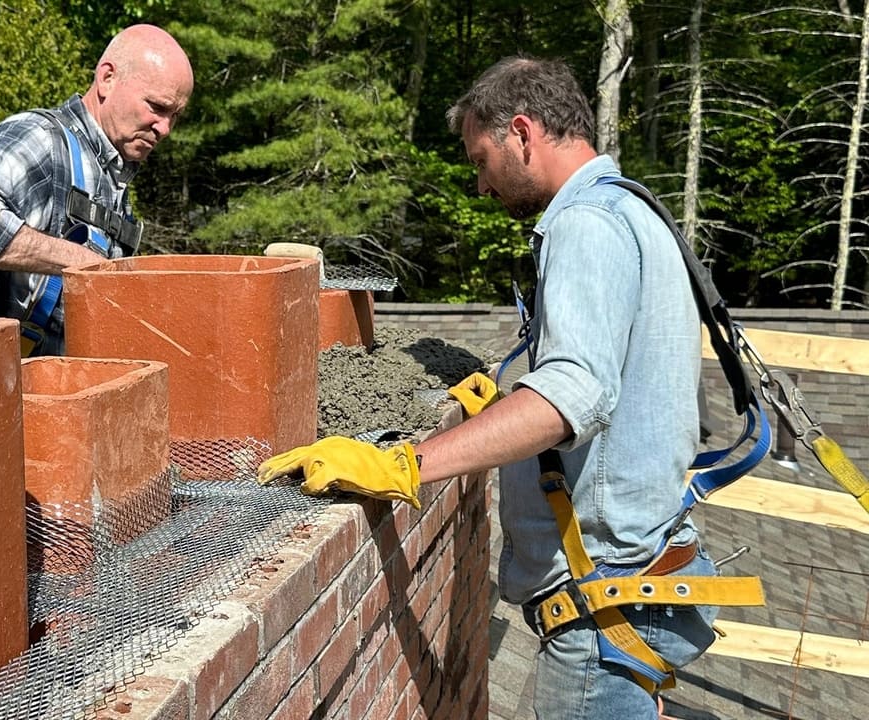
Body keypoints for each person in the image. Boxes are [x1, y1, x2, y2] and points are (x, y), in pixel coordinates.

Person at [258, 56, 730, 720]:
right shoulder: (634, 209)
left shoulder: (586, 225)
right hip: (636, 583)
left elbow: (577, 393)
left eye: (481, 159)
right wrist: (509, 401)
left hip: (607, 604)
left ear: (523, 133)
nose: (480, 185)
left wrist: (405, 463)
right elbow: (607, 377)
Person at [0, 24, 194, 356]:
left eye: (176, 116)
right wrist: (82, 261)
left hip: (52, 397)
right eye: (157, 107)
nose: (165, 129)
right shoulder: (42, 139)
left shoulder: (113, 183)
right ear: (107, 78)